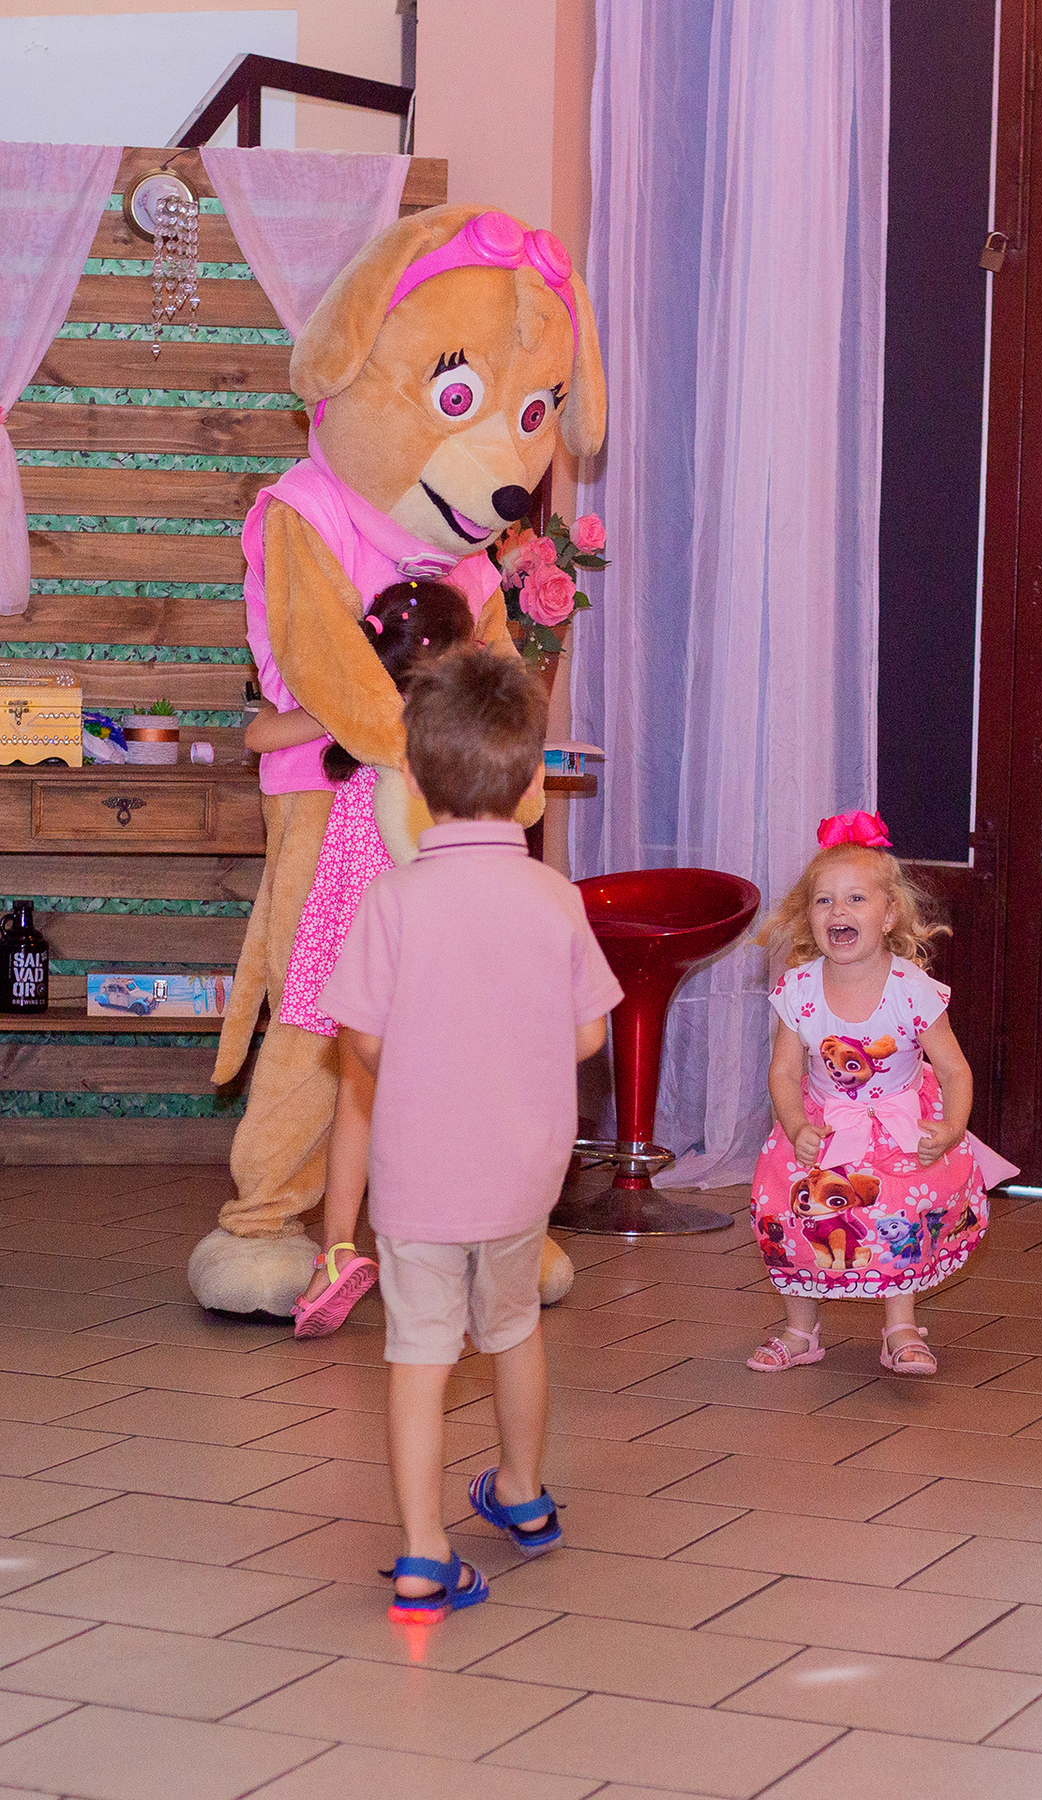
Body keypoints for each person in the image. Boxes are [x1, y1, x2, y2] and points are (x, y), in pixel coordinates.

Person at [318, 647, 623, 1622]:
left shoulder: (394, 900)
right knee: (515, 1327)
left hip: (418, 1175)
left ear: (412, 778)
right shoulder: (555, 898)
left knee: (419, 1352)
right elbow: (587, 1033)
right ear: (533, 781)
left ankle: (422, 1554)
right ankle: (523, 1493)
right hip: (522, 1173)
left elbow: (358, 1038)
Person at [245, 580, 477, 1338]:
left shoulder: (364, 724)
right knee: (440, 1098)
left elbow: (256, 737)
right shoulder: (442, 732)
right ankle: (439, 1251)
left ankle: (336, 1252)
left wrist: (339, 705)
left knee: (359, 1096)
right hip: (424, 931)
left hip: (360, 940)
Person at [747, 810, 1016, 1378]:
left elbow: (955, 1071)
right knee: (797, 1215)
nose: (838, 912)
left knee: (901, 1216)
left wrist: (948, 1130)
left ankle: (900, 1327)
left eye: (855, 900)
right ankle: (800, 1330)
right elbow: (782, 1071)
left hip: (900, 1125)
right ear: (808, 916)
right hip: (824, 1123)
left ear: (890, 913)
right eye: (823, 901)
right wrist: (795, 1125)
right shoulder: (797, 990)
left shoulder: (911, 990)